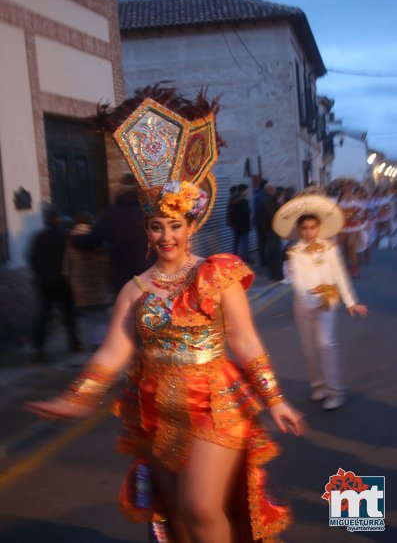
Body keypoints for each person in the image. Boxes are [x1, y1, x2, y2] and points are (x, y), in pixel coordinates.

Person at [26, 87, 305, 543]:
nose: (166, 235)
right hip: (156, 407)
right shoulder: (134, 290)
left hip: (216, 404)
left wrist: (275, 400)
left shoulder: (219, 274)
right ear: (147, 229)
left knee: (201, 507)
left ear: (192, 226)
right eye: (157, 226)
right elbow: (113, 353)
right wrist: (73, 400)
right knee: (174, 514)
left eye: (175, 225)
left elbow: (247, 340)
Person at [273, 194, 368, 411]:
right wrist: (309, 300)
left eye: (312, 227)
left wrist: (351, 301)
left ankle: (336, 391)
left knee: (325, 344)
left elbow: (340, 274)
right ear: (299, 229)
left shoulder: (331, 248)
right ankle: (318, 385)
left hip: (328, 300)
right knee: (308, 348)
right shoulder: (293, 252)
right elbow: (296, 279)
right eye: (304, 228)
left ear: (319, 227)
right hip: (304, 303)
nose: (308, 232)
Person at [72, 174, 153, 295]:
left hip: (122, 276)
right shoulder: (149, 212)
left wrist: (74, 238)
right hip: (149, 273)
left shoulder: (111, 213)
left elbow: (93, 239)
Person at [27, 207, 82, 362]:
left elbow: (32, 259)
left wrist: (41, 274)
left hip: (45, 283)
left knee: (43, 315)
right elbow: (71, 258)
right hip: (63, 282)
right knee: (68, 314)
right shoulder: (64, 237)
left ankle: (39, 348)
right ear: (57, 220)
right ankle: (74, 343)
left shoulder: (39, 237)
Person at [63, 211, 111, 349]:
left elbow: (66, 266)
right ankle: (102, 347)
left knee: (89, 320)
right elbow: (105, 262)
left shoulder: (70, 240)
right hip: (98, 284)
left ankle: (93, 349)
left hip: (80, 287)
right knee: (102, 318)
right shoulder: (96, 237)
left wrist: (72, 282)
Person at [337, 180, 366, 277]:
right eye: (344, 185)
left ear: (351, 186)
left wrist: (356, 216)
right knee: (344, 247)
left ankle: (354, 266)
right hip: (343, 226)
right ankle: (345, 267)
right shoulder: (338, 199)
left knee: (351, 245)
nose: (346, 187)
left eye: (348, 185)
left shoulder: (355, 198)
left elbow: (361, 211)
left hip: (353, 225)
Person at [258, 185, 283, 281]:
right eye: (273, 189)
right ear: (270, 190)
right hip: (272, 230)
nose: (275, 191)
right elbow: (271, 216)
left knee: (273, 253)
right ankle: (276, 275)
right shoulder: (268, 201)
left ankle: (275, 274)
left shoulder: (267, 200)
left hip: (269, 230)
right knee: (275, 253)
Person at [230, 183, 252, 263]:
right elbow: (246, 212)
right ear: (242, 191)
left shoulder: (234, 199)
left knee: (237, 240)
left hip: (236, 224)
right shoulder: (243, 201)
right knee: (245, 241)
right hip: (243, 224)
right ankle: (246, 257)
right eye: (246, 190)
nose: (247, 192)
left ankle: (234, 255)